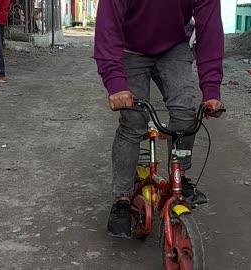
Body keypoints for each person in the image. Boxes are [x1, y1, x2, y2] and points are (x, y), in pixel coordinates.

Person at [94, 0, 225, 238]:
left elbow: (210, 31)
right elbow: (107, 29)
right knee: (134, 121)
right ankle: (122, 199)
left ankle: (179, 177)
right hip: (129, 48)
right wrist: (115, 84)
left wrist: (212, 91)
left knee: (186, 116)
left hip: (174, 46)